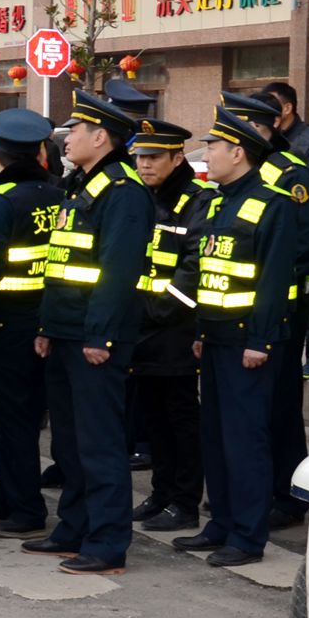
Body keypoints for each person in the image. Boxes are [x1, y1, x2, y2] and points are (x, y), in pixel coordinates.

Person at [31, 91, 151, 575]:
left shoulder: (123, 191)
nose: (66, 137)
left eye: (75, 130)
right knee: (69, 441)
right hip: (64, 330)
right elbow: (60, 265)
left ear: (101, 137)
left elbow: (116, 272)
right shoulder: (81, 186)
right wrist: (46, 325)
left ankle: (106, 541)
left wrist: (99, 336)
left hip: (93, 338)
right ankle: (73, 527)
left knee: (100, 444)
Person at [177, 105, 299, 568]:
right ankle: (221, 524)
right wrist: (202, 331)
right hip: (216, 335)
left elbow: (272, 281)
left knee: (246, 440)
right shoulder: (216, 201)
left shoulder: (272, 204)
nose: (207, 153)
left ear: (238, 151)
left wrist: (261, 341)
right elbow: (210, 273)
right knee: (217, 437)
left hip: (248, 340)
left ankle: (247, 536)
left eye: (213, 146)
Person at [0, 109, 60, 539]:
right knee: (28, 413)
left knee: (11, 421)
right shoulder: (56, 194)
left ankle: (25, 508)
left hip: (4, 325)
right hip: (43, 321)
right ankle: (8, 492)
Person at [231, 91, 309, 530]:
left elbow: (302, 247)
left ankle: (287, 497)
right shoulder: (243, 174)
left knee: (280, 405)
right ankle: (254, 491)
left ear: (261, 130)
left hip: (280, 305)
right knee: (251, 410)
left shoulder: (290, 175)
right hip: (242, 306)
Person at [127, 118, 211, 533]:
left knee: (179, 418)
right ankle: (161, 493)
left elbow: (194, 267)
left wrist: (160, 310)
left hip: (174, 328)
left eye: (154, 156)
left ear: (178, 157)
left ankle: (184, 501)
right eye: (140, 156)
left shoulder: (197, 200)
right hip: (142, 327)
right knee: (153, 418)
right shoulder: (144, 196)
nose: (145, 164)